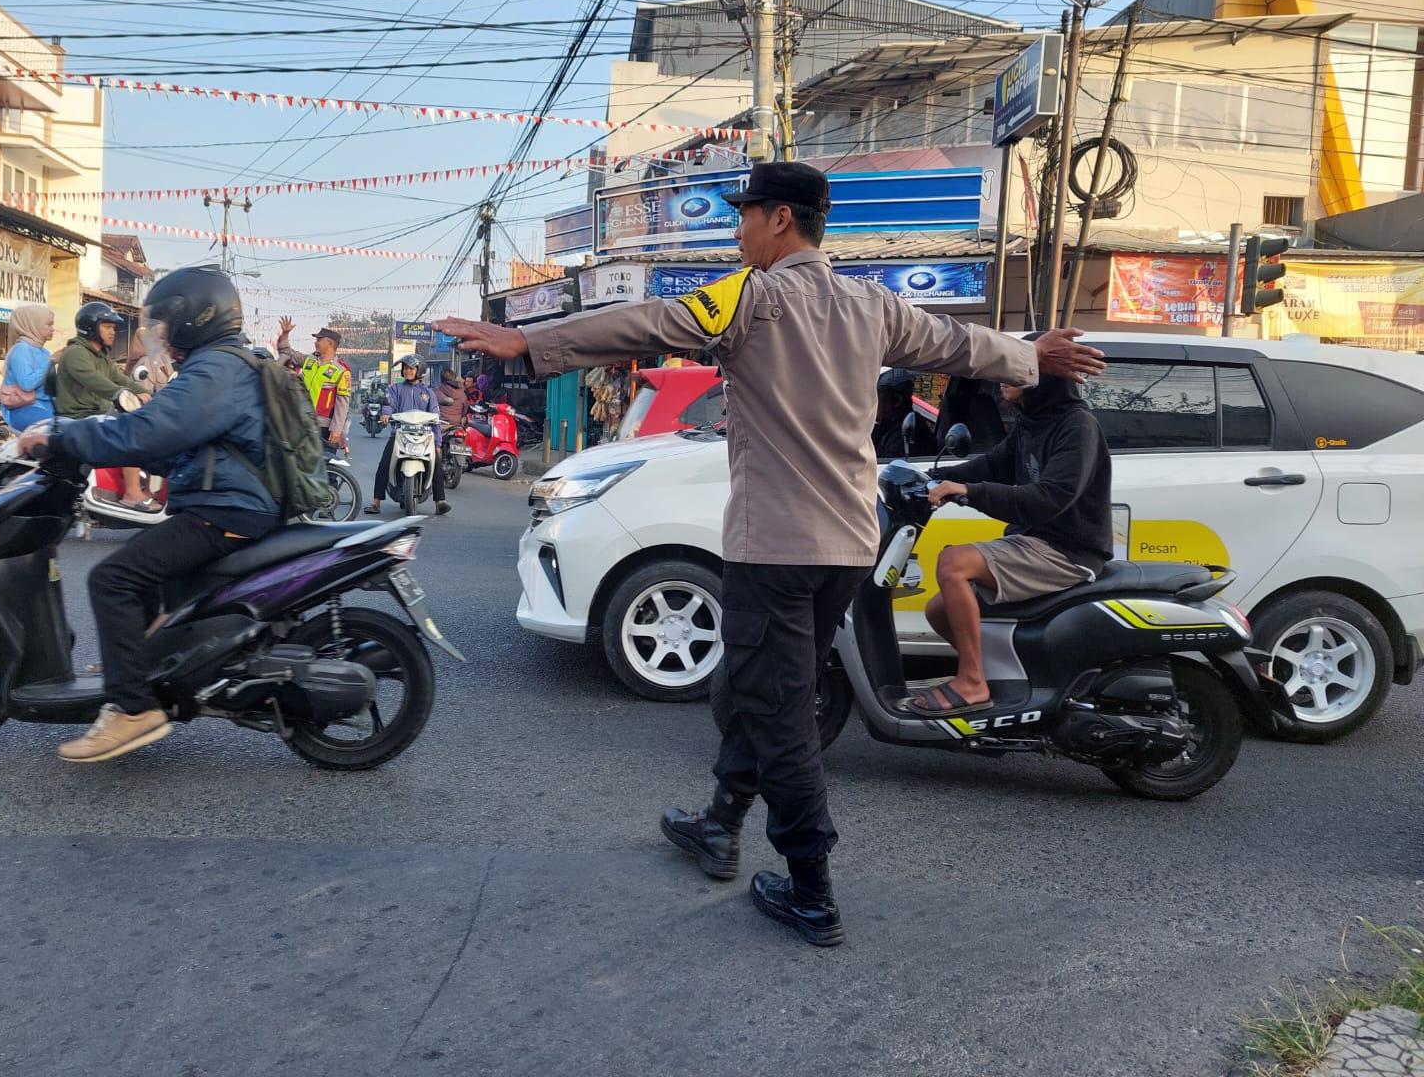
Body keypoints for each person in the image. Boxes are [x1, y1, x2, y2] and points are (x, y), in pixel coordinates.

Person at [438, 160, 1104, 947]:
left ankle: (811, 887)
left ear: (780, 220)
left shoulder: (750, 297)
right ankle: (719, 822)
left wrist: (526, 344)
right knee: (759, 688)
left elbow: (650, 322)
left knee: (779, 707)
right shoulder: (875, 304)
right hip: (849, 547)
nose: (737, 227)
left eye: (745, 213)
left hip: (774, 548)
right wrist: (1031, 355)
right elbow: (960, 345)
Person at [15, 265, 280, 763]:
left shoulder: (214, 370)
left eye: (166, 323)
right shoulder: (222, 364)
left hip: (225, 510)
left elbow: (149, 430)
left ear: (195, 319)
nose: (161, 334)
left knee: (112, 579)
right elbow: (175, 446)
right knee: (152, 589)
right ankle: (137, 674)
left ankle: (133, 708)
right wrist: (104, 446)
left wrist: (62, 439)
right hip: (226, 501)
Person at [900, 365, 1113, 718]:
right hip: (1037, 540)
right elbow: (993, 465)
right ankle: (1003, 679)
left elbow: (1050, 497)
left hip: (1067, 551)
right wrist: (931, 477)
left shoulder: (1077, 426)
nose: (1003, 379)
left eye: (1016, 372)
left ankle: (971, 682)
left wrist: (968, 492)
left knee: (953, 563)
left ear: (1042, 379)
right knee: (938, 611)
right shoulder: (1034, 421)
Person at [55, 301, 154, 510]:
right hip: (78, 416)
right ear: (91, 327)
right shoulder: (75, 353)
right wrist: (120, 394)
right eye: (107, 327)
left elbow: (119, 378)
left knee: (147, 427)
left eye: (113, 328)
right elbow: (94, 380)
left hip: (97, 413)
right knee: (129, 431)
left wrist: (143, 392)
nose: (112, 332)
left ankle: (144, 489)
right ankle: (132, 494)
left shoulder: (100, 354)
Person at [364, 353, 450, 516]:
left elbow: (435, 418)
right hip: (400, 433)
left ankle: (440, 501)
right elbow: (389, 404)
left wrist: (438, 443)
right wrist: (386, 413)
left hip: (425, 435)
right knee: (384, 464)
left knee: (437, 463)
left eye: (411, 368)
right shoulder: (395, 388)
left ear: (420, 370)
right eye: (405, 368)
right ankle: (376, 502)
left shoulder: (428, 393)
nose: (407, 371)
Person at [274, 317, 351, 452]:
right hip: (300, 420)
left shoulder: (341, 371)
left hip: (322, 426)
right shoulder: (308, 360)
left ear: (330, 343)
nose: (316, 343)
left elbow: (342, 404)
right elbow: (286, 351)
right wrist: (285, 334)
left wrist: (336, 430)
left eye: (319, 340)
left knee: (322, 466)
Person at [0, 303, 55, 433]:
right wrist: (52, 362)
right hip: (25, 409)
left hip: (45, 407)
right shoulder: (21, 350)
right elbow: (27, 384)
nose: (53, 329)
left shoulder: (44, 352)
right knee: (56, 432)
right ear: (33, 325)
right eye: (49, 324)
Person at [434, 367, 468, 432]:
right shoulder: (462, 393)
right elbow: (465, 411)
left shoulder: (436, 392)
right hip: (457, 425)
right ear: (454, 378)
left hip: (441, 425)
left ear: (441, 379)